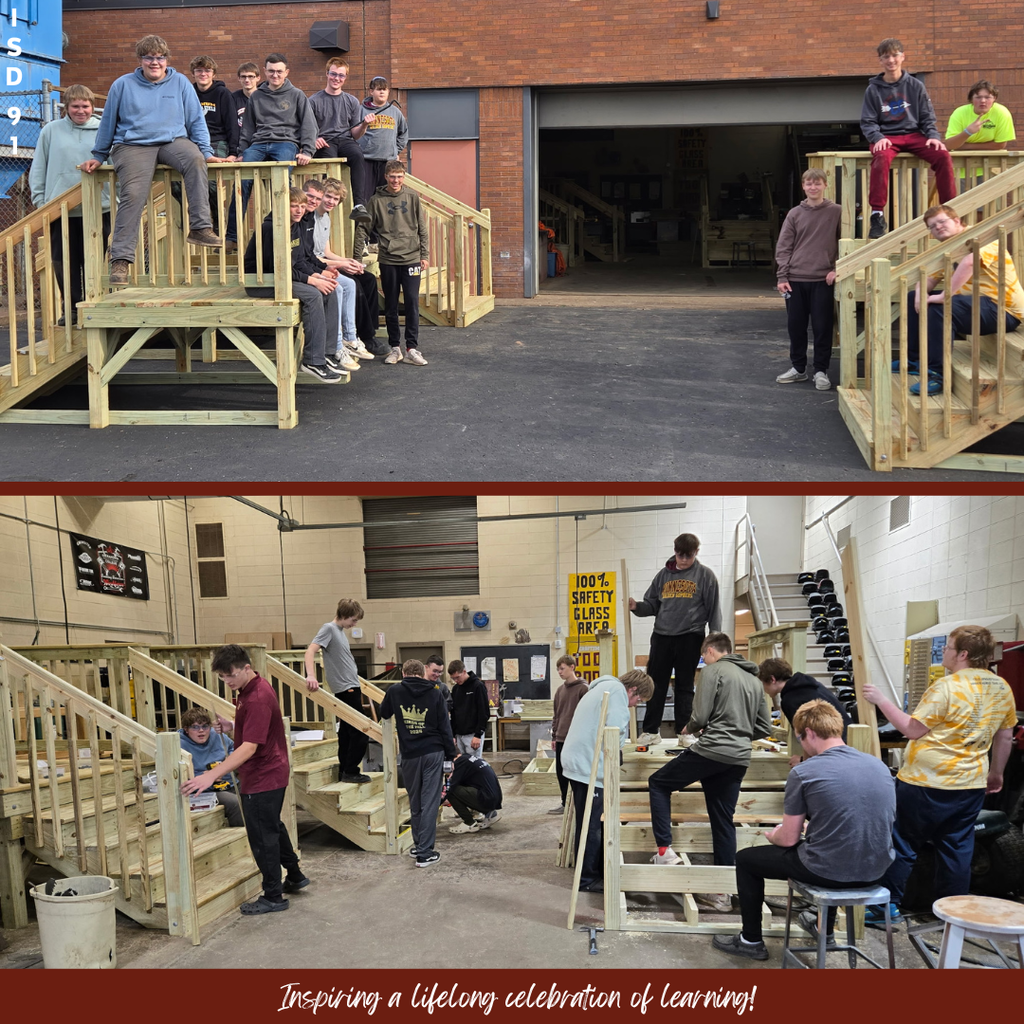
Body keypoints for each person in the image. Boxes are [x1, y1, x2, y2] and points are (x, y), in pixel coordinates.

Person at [712, 699, 895, 961]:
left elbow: (787, 839)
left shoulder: (805, 772)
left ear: (808, 732)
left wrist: (772, 834)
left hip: (829, 871)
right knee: (830, 846)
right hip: (876, 869)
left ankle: (750, 940)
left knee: (746, 859)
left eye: (800, 739)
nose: (802, 745)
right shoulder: (878, 765)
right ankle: (825, 929)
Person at [862, 624, 1016, 926]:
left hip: (925, 782)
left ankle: (886, 907)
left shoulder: (947, 687)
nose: (943, 652)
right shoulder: (1001, 687)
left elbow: (911, 729)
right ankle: (954, 913)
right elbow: (1005, 736)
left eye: (947, 647)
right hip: (970, 784)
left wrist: (881, 700)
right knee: (957, 846)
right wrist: (996, 773)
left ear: (963, 654)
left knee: (903, 843)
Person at [81, 34, 222, 286]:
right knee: (133, 194)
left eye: (160, 58)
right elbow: (108, 121)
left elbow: (195, 121)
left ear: (166, 60)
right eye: (149, 58)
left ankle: (200, 227)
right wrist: (99, 155)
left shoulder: (180, 82)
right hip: (132, 144)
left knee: (196, 160)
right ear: (140, 60)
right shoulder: (122, 85)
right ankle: (121, 260)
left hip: (173, 141)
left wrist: (207, 151)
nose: (155, 62)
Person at [649, 632, 772, 913]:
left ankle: (664, 851)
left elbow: (701, 715)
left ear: (713, 651)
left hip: (711, 750)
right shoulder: (754, 680)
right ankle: (722, 894)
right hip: (739, 757)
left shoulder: (712, 671)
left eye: (703, 655)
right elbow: (764, 727)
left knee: (658, 782)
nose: (702, 660)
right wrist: (739, 735)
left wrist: (689, 728)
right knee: (722, 820)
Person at [181, 645, 308, 915]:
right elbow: (254, 730)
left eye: (231, 675)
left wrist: (211, 775)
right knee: (272, 827)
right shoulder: (249, 689)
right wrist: (232, 726)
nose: (227, 682)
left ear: (246, 668)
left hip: (263, 775)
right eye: (223, 677)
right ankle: (295, 875)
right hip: (266, 771)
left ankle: (274, 896)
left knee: (263, 837)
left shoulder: (257, 697)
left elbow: (250, 747)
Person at [901, 204, 1024, 395]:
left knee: (940, 309)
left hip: (1003, 310)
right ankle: (915, 360)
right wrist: (919, 293)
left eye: (942, 221)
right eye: (933, 226)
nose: (938, 227)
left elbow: (969, 262)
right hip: (977, 307)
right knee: (912, 298)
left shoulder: (983, 237)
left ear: (957, 221)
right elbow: (929, 279)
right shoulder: (949, 250)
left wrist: (944, 295)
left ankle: (938, 375)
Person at [560, 670, 655, 894]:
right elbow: (614, 732)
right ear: (632, 690)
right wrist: (617, 752)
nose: (634, 705)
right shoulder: (617, 693)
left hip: (578, 761)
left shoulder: (601, 688)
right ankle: (588, 879)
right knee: (592, 826)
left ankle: (595, 871)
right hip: (587, 766)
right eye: (637, 700)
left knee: (590, 822)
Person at [628, 532, 721, 745]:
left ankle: (684, 731)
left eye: (689, 556)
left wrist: (714, 639)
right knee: (654, 684)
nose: (684, 560)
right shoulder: (663, 576)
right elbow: (652, 604)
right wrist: (637, 607)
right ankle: (651, 732)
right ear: (675, 551)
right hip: (662, 635)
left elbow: (714, 608)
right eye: (681, 555)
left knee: (684, 685)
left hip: (691, 635)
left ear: (696, 552)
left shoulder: (705, 576)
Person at [29, 84, 110, 324]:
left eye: (85, 106)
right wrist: (41, 202)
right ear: (66, 107)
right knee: (65, 262)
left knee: (95, 260)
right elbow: (39, 167)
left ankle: (95, 306)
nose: (81, 110)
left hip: (98, 207)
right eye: (75, 106)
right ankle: (72, 309)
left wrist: (114, 199)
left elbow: (117, 164)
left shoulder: (104, 131)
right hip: (60, 209)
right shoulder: (51, 131)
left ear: (92, 107)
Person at [244, 185, 342, 382]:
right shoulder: (271, 228)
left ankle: (327, 353)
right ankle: (313, 361)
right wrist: (311, 280)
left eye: (302, 206)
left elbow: (301, 260)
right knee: (313, 294)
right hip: (263, 282)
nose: (299, 210)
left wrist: (321, 274)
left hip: (284, 279)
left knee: (330, 289)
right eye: (293, 206)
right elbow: (278, 269)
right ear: (282, 207)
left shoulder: (295, 226)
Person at [860, 37, 956, 238]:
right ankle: (877, 215)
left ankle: (950, 210)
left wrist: (933, 136)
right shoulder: (873, 89)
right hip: (887, 137)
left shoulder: (915, 86)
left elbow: (927, 116)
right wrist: (877, 138)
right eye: (886, 57)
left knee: (942, 155)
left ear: (903, 57)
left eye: (895, 55)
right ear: (880, 60)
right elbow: (868, 122)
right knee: (881, 157)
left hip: (914, 135)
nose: (891, 60)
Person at [228, 53, 317, 245]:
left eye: (279, 71)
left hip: (286, 143)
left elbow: (309, 125)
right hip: (258, 144)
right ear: (265, 72)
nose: (275, 75)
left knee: (283, 183)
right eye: (271, 71)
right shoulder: (256, 96)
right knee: (241, 182)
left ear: (286, 72)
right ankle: (232, 237)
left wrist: (308, 151)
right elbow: (248, 128)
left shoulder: (297, 95)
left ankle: (284, 231)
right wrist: (242, 152)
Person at [379, 658, 457, 867]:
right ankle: (425, 852)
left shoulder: (394, 691)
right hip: (433, 751)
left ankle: (418, 846)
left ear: (403, 673)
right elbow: (444, 726)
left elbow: (384, 713)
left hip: (410, 754)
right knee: (430, 801)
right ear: (422, 673)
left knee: (415, 801)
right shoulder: (435, 692)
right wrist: (451, 756)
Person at [353, 160, 430, 366]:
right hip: (388, 259)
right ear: (386, 177)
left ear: (404, 177)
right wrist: (357, 258)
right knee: (391, 304)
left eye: (399, 177)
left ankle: (412, 348)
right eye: (392, 176)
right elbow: (362, 229)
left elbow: (422, 227)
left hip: (412, 257)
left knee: (412, 302)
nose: (396, 181)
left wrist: (425, 254)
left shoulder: (412, 197)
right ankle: (395, 347)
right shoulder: (375, 200)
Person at [773, 168, 842, 392]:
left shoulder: (837, 212)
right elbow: (784, 247)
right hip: (795, 278)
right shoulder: (794, 214)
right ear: (803, 186)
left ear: (825, 185)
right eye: (809, 184)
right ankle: (798, 369)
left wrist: (837, 268)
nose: (813, 187)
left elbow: (845, 242)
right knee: (796, 327)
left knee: (823, 327)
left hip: (823, 279)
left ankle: (821, 371)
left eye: (817, 183)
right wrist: (782, 275)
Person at [305, 176, 374, 367]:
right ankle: (336, 345)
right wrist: (340, 266)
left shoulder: (325, 217)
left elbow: (326, 252)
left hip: (322, 262)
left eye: (335, 199)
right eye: (327, 196)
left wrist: (347, 260)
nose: (330, 202)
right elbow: (309, 256)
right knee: (339, 287)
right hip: (313, 267)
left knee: (353, 282)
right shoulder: (308, 217)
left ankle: (350, 337)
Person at [304, 598, 370, 783]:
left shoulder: (339, 632)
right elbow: (310, 651)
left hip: (350, 686)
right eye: (354, 620)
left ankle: (345, 771)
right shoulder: (329, 629)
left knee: (348, 732)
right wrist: (311, 675)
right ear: (344, 615)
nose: (354, 624)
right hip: (346, 688)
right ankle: (351, 770)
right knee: (360, 732)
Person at [309, 58, 375, 223]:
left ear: (345, 78)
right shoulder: (313, 101)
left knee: (358, 155)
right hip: (326, 142)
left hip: (345, 140)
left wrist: (365, 125)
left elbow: (355, 134)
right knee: (330, 162)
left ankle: (359, 205)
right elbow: (307, 129)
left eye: (341, 75)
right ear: (327, 74)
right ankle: (324, 207)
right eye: (333, 74)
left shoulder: (352, 101)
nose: (336, 78)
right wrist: (314, 139)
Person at [757, 656, 850, 764]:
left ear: (772, 679)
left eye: (763, 683)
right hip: (846, 743)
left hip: (834, 753)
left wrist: (803, 761)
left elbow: (805, 735)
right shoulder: (810, 685)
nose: (763, 689)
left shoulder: (790, 699)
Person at [178, 706, 243, 827]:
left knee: (256, 796)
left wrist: (226, 764)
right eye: (195, 727)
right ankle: (243, 837)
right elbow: (176, 772)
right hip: (205, 791)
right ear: (186, 729)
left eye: (205, 726)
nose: (201, 731)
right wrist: (206, 776)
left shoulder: (216, 735)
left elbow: (234, 748)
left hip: (230, 782)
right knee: (235, 803)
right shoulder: (179, 743)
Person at [359, 75, 409, 205]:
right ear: (371, 91)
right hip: (366, 160)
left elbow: (403, 133)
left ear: (388, 92)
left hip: (387, 162)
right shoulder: (361, 110)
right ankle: (365, 225)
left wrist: (395, 150)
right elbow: (353, 132)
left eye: (384, 89)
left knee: (386, 199)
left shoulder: (395, 112)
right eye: (378, 89)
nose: (382, 92)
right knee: (366, 197)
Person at [549, 654, 588, 815]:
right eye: (558, 669)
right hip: (561, 738)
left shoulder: (583, 688)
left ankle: (578, 805)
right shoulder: (560, 690)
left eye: (562, 668)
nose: (559, 672)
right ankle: (565, 803)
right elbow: (556, 714)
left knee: (576, 773)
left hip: (576, 739)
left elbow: (586, 715)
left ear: (572, 667)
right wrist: (554, 736)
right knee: (561, 773)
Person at [945, 80, 1016, 166]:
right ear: (971, 99)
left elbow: (1000, 145)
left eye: (987, 97)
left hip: (990, 167)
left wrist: (963, 146)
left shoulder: (1002, 112)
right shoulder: (959, 112)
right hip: (962, 169)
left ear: (994, 99)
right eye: (978, 97)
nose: (983, 101)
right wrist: (968, 132)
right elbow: (949, 144)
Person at [189, 55, 240, 160]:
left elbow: (232, 124)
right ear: (193, 73)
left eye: (207, 70)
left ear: (214, 74)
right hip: (193, 142)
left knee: (216, 170)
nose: (203, 74)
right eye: (199, 70)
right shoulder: (188, 93)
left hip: (217, 141)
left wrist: (233, 153)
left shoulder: (223, 93)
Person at [443, 754, 503, 834]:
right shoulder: (469, 759)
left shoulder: (460, 763)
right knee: (459, 786)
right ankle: (490, 814)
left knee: (451, 791)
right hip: (493, 798)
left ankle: (469, 823)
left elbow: (449, 787)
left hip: (487, 799)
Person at [448, 659, 490, 758]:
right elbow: (454, 713)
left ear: (464, 672)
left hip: (472, 735)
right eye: (453, 678)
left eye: (457, 677)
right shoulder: (456, 689)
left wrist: (478, 735)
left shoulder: (478, 686)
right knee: (461, 764)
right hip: (459, 735)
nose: (456, 681)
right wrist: (453, 735)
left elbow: (483, 712)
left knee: (473, 765)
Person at [231, 62, 261, 139]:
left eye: (251, 76)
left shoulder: (264, 97)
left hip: (260, 140)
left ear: (258, 78)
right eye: (243, 76)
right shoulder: (233, 98)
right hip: (239, 139)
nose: (247, 80)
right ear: (239, 78)